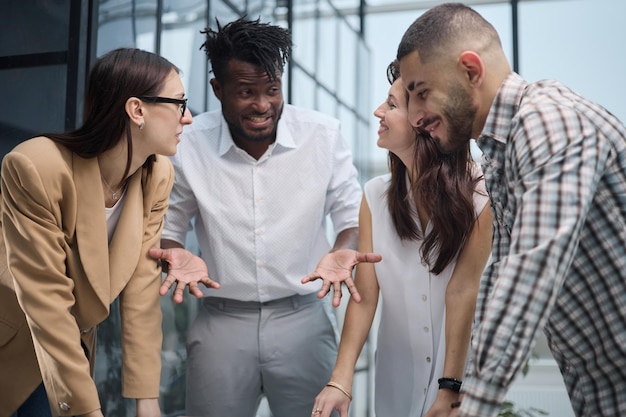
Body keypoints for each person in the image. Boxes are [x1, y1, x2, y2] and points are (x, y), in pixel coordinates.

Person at [396, 3, 626, 417]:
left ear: (470, 70)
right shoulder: (499, 153)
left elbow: (530, 274)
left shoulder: (547, 123)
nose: (413, 117)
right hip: (599, 385)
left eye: (421, 92)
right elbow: (499, 277)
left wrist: (476, 407)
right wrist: (458, 393)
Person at [157, 16, 378, 417]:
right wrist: (174, 253)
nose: (262, 105)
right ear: (218, 90)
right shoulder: (188, 145)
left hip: (304, 322)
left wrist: (341, 251)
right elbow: (170, 229)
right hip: (220, 324)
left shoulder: (323, 136)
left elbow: (350, 219)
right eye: (246, 92)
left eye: (272, 90)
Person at [0, 47, 207, 417]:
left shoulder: (156, 176)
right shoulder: (37, 166)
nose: (188, 118)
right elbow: (46, 300)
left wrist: (148, 402)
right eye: (179, 103)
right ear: (137, 110)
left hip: (67, 355)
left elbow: (142, 288)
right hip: (12, 340)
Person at [311, 61, 492, 417]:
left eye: (391, 105)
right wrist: (340, 379)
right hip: (396, 379)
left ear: (425, 120)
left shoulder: (480, 195)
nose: (379, 112)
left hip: (459, 382)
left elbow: (463, 292)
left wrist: (450, 390)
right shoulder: (375, 195)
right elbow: (365, 297)